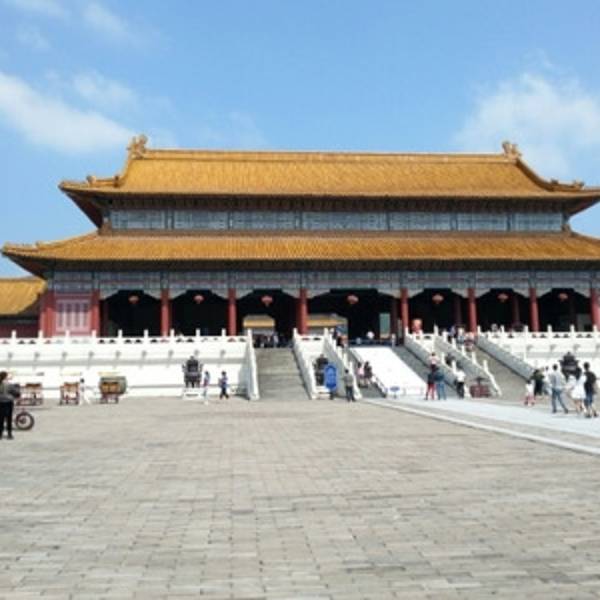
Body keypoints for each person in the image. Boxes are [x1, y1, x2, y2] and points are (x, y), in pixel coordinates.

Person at [0, 371, 19, 440]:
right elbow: (16, 392)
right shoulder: (9, 384)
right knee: (9, 418)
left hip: (0, 402)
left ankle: (0, 434)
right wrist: (16, 395)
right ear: (6, 376)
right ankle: (9, 434)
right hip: (8, 402)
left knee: (1, 419)